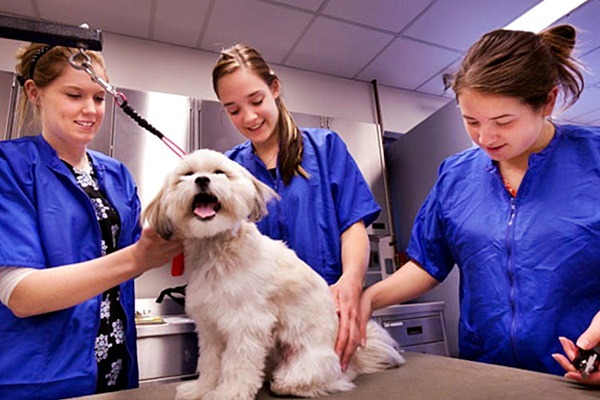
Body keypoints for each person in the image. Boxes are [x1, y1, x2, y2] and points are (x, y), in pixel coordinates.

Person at [359, 24, 600, 385]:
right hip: (487, 372)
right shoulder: (455, 175)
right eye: (470, 121)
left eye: (504, 122)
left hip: (575, 374)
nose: (485, 138)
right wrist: (368, 298)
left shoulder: (594, 159)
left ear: (547, 102)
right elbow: (429, 261)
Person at [0, 43, 183, 399]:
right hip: (43, 377)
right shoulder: (10, 168)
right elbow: (20, 294)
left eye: (99, 98)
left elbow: (135, 258)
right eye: (74, 95)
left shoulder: (116, 176)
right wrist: (137, 258)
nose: (90, 110)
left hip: (116, 369)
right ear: (34, 93)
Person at [211, 43, 381, 371]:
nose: (248, 117)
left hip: (322, 320)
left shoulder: (326, 148)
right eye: (232, 110)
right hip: (255, 332)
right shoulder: (228, 170)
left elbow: (353, 226)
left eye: (256, 100)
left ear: (274, 88)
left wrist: (350, 282)